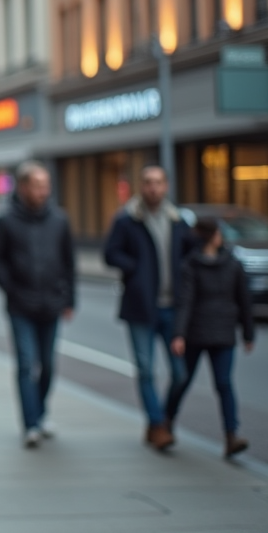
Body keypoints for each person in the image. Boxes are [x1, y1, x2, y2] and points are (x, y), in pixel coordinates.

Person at [103, 165, 192, 451]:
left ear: (166, 186)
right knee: (145, 369)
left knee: (180, 374)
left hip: (173, 308)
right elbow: (110, 253)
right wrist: (136, 270)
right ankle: (155, 425)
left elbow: (192, 254)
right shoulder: (128, 219)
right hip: (141, 307)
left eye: (158, 183)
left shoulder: (178, 220)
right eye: (148, 183)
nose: (153, 188)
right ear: (142, 186)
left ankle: (165, 418)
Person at [0, 161, 76, 449]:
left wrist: (69, 298)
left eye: (46, 186)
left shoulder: (59, 220)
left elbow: (69, 262)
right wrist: (10, 289)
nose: (43, 191)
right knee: (27, 364)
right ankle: (30, 424)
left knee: (48, 365)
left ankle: (40, 411)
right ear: (23, 187)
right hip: (21, 305)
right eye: (37, 185)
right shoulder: (7, 220)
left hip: (51, 303)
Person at [165, 217, 256, 458]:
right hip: (196, 333)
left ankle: (231, 435)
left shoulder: (232, 264)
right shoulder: (191, 266)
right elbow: (185, 302)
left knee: (224, 384)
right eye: (218, 232)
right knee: (183, 380)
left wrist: (248, 332)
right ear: (210, 236)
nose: (221, 236)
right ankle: (166, 422)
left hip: (223, 332)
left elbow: (243, 301)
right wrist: (180, 335)